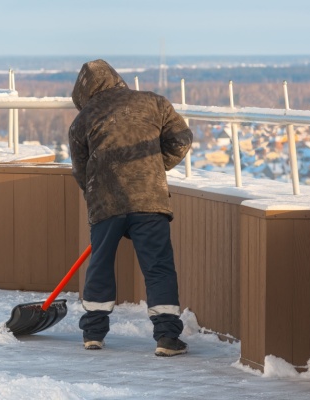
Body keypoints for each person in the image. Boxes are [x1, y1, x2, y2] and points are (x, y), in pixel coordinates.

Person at [68, 59, 193, 357]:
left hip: (105, 204)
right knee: (158, 266)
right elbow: (181, 139)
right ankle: (166, 338)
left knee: (100, 265)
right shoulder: (154, 102)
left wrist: (96, 189)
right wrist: (152, 168)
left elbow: (80, 170)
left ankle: (93, 333)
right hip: (149, 200)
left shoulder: (82, 120)